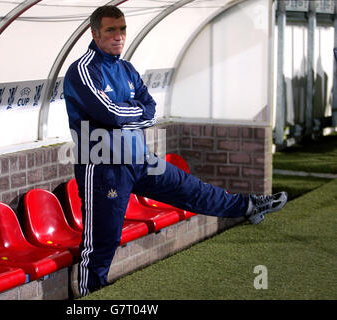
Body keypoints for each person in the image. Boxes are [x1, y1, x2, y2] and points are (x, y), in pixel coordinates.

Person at [63, 5, 287, 297]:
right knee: (103, 241)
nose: (118, 37)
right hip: (103, 167)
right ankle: (91, 295)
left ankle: (248, 206)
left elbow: (150, 110)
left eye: (122, 30)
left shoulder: (126, 68)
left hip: (139, 159)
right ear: (95, 33)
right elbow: (111, 114)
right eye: (110, 30)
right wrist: (135, 114)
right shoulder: (82, 70)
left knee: (192, 189)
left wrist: (132, 115)